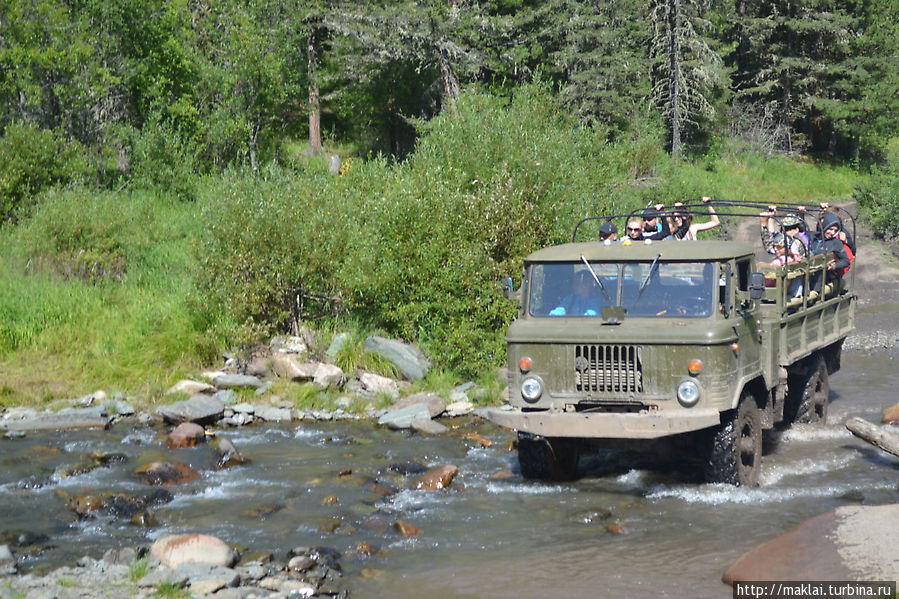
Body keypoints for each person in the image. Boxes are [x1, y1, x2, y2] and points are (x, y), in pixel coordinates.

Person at [808, 211, 853, 280]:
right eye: (830, 229)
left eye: (835, 230)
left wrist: (833, 266)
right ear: (825, 226)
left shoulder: (835, 243)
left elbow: (846, 261)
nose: (832, 233)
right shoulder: (812, 236)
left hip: (819, 277)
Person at [768, 233, 803, 297]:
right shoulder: (795, 258)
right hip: (787, 289)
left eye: (779, 247)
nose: (775, 249)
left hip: (777, 291)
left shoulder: (781, 261)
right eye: (774, 246)